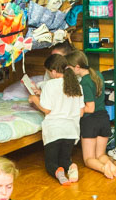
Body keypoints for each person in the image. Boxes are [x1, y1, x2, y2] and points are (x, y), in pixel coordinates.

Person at [28, 53, 83, 184]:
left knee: (51, 163)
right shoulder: (76, 86)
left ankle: (59, 175)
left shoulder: (49, 85)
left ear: (53, 71)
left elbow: (47, 109)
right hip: (71, 131)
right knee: (64, 160)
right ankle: (71, 167)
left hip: (54, 130)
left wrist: (35, 99)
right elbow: (80, 112)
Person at [66, 49, 116, 179]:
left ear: (77, 67)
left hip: (91, 121)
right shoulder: (98, 74)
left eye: (70, 68)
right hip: (103, 119)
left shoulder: (84, 82)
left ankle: (104, 168)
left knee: (89, 159)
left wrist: (75, 111)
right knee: (100, 155)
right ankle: (111, 166)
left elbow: (90, 107)